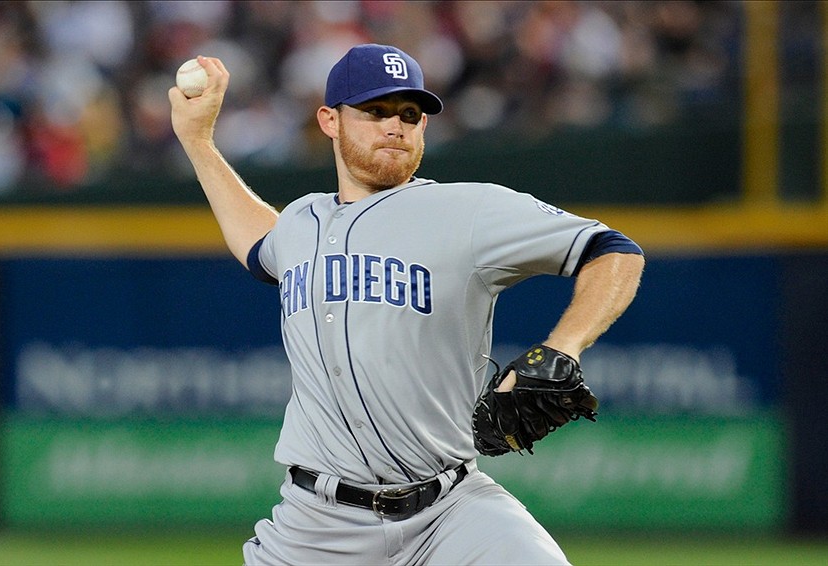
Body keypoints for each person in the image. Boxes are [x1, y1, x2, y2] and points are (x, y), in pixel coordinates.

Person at [169, 44, 644, 565]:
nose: (395, 126)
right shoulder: (301, 223)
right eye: (375, 111)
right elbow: (260, 243)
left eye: (409, 114)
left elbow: (614, 250)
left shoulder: (468, 209)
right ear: (330, 121)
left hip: (451, 511)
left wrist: (564, 346)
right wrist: (198, 141)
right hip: (315, 527)